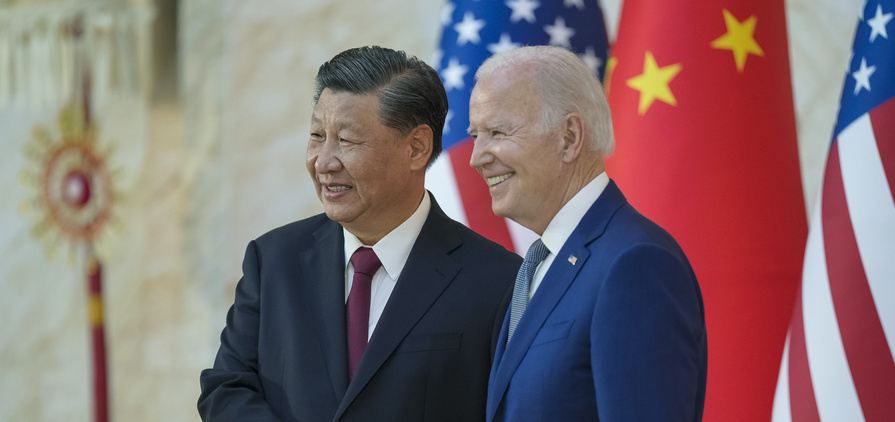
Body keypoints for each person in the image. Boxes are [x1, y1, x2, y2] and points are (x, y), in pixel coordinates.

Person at [198, 46, 521, 422]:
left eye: (347, 141)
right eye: (317, 135)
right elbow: (227, 387)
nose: (323, 161)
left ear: (417, 148)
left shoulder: (497, 282)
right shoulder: (273, 260)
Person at [468, 45, 707, 421]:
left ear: (569, 137)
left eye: (496, 131)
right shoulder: (536, 265)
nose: (476, 156)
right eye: (475, 134)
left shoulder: (636, 265)